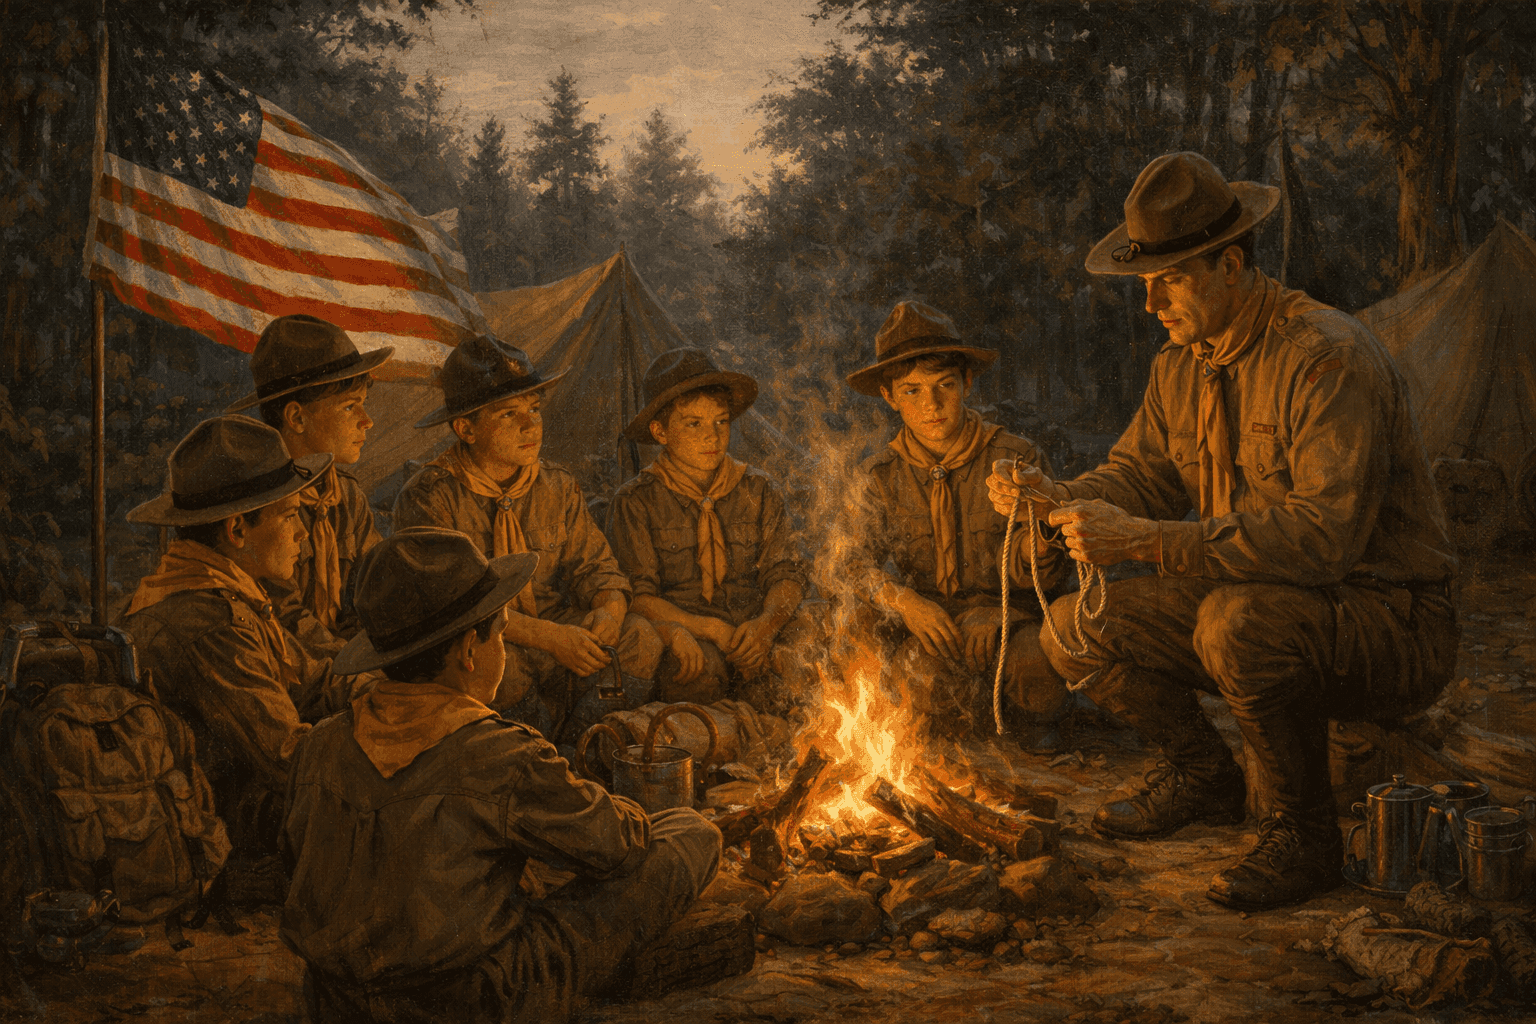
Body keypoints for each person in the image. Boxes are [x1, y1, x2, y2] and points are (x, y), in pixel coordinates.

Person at [987, 151, 1458, 910]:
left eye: (1170, 281)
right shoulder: (1180, 367)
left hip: (1391, 621)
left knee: (1234, 623)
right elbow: (1138, 477)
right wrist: (1054, 496)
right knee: (1074, 629)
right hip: (1257, 603)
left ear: (1232, 266)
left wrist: (1140, 540)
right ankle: (1204, 774)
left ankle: (1303, 835)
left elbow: (1322, 542)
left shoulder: (1324, 356)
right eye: (1147, 284)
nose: (1152, 307)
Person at [280, 527, 721, 1024]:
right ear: (471, 650)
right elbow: (620, 845)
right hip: (475, 1002)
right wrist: (627, 811)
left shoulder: (320, 743)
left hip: (333, 1001)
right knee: (690, 834)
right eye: (503, 631)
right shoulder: (503, 753)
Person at [393, 334, 663, 742]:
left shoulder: (557, 486)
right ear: (466, 428)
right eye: (507, 415)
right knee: (502, 666)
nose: (530, 424)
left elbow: (599, 568)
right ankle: (533, 765)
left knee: (640, 637)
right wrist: (551, 639)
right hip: (485, 641)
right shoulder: (430, 496)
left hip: (556, 631)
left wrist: (608, 611)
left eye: (534, 409)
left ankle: (584, 754)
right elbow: (456, 609)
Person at [121, 416, 371, 855]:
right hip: (223, 824)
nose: (301, 533)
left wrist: (400, 692)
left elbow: (313, 680)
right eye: (291, 516)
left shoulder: (226, 592)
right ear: (237, 530)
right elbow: (289, 760)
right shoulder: (208, 622)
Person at [844, 300, 1072, 746]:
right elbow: (852, 564)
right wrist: (906, 602)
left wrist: (1002, 614)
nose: (932, 405)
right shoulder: (879, 476)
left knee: (1039, 679)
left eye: (944, 384)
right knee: (919, 695)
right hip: (935, 629)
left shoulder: (1016, 458)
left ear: (967, 383)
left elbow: (1055, 570)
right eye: (911, 391)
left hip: (1015, 623)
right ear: (889, 397)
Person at [607, 348, 816, 710]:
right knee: (695, 675)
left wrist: (767, 626)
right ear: (660, 431)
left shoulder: (758, 489)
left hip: (755, 626)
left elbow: (786, 573)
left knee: (815, 648)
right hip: (692, 631)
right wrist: (708, 629)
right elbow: (637, 599)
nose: (712, 437)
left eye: (721, 422)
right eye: (694, 424)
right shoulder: (635, 501)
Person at [226, 314, 388, 657]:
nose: (367, 421)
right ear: (297, 418)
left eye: (364, 404)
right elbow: (283, 616)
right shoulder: (262, 504)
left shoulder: (346, 497)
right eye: (349, 407)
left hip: (346, 661)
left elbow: (378, 590)